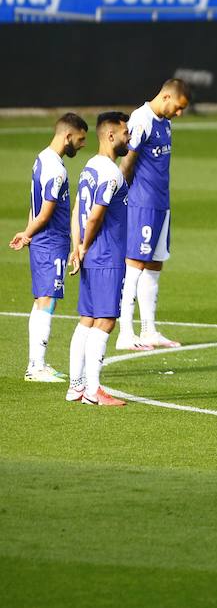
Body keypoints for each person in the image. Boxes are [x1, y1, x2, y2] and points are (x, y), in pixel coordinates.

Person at [11, 113, 88, 382]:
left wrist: (28, 233)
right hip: (50, 241)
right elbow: (45, 213)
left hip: (41, 240)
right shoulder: (56, 170)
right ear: (68, 136)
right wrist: (27, 233)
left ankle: (36, 363)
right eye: (80, 140)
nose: (81, 145)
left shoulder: (41, 159)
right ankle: (36, 366)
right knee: (47, 300)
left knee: (42, 300)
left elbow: (34, 206)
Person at [116, 79, 191, 351]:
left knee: (155, 264)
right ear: (167, 96)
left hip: (161, 203)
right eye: (179, 107)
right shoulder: (141, 118)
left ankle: (149, 330)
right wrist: (119, 197)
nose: (179, 114)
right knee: (134, 265)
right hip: (142, 204)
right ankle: (126, 332)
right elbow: (128, 161)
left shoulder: (165, 122)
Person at [66, 112, 132, 407]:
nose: (128, 138)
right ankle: (93, 390)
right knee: (105, 321)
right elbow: (94, 215)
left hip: (91, 254)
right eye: (125, 133)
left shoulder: (89, 167)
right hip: (106, 255)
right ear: (110, 135)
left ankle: (76, 386)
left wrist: (77, 247)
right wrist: (86, 243)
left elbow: (77, 209)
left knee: (87, 320)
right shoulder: (110, 172)